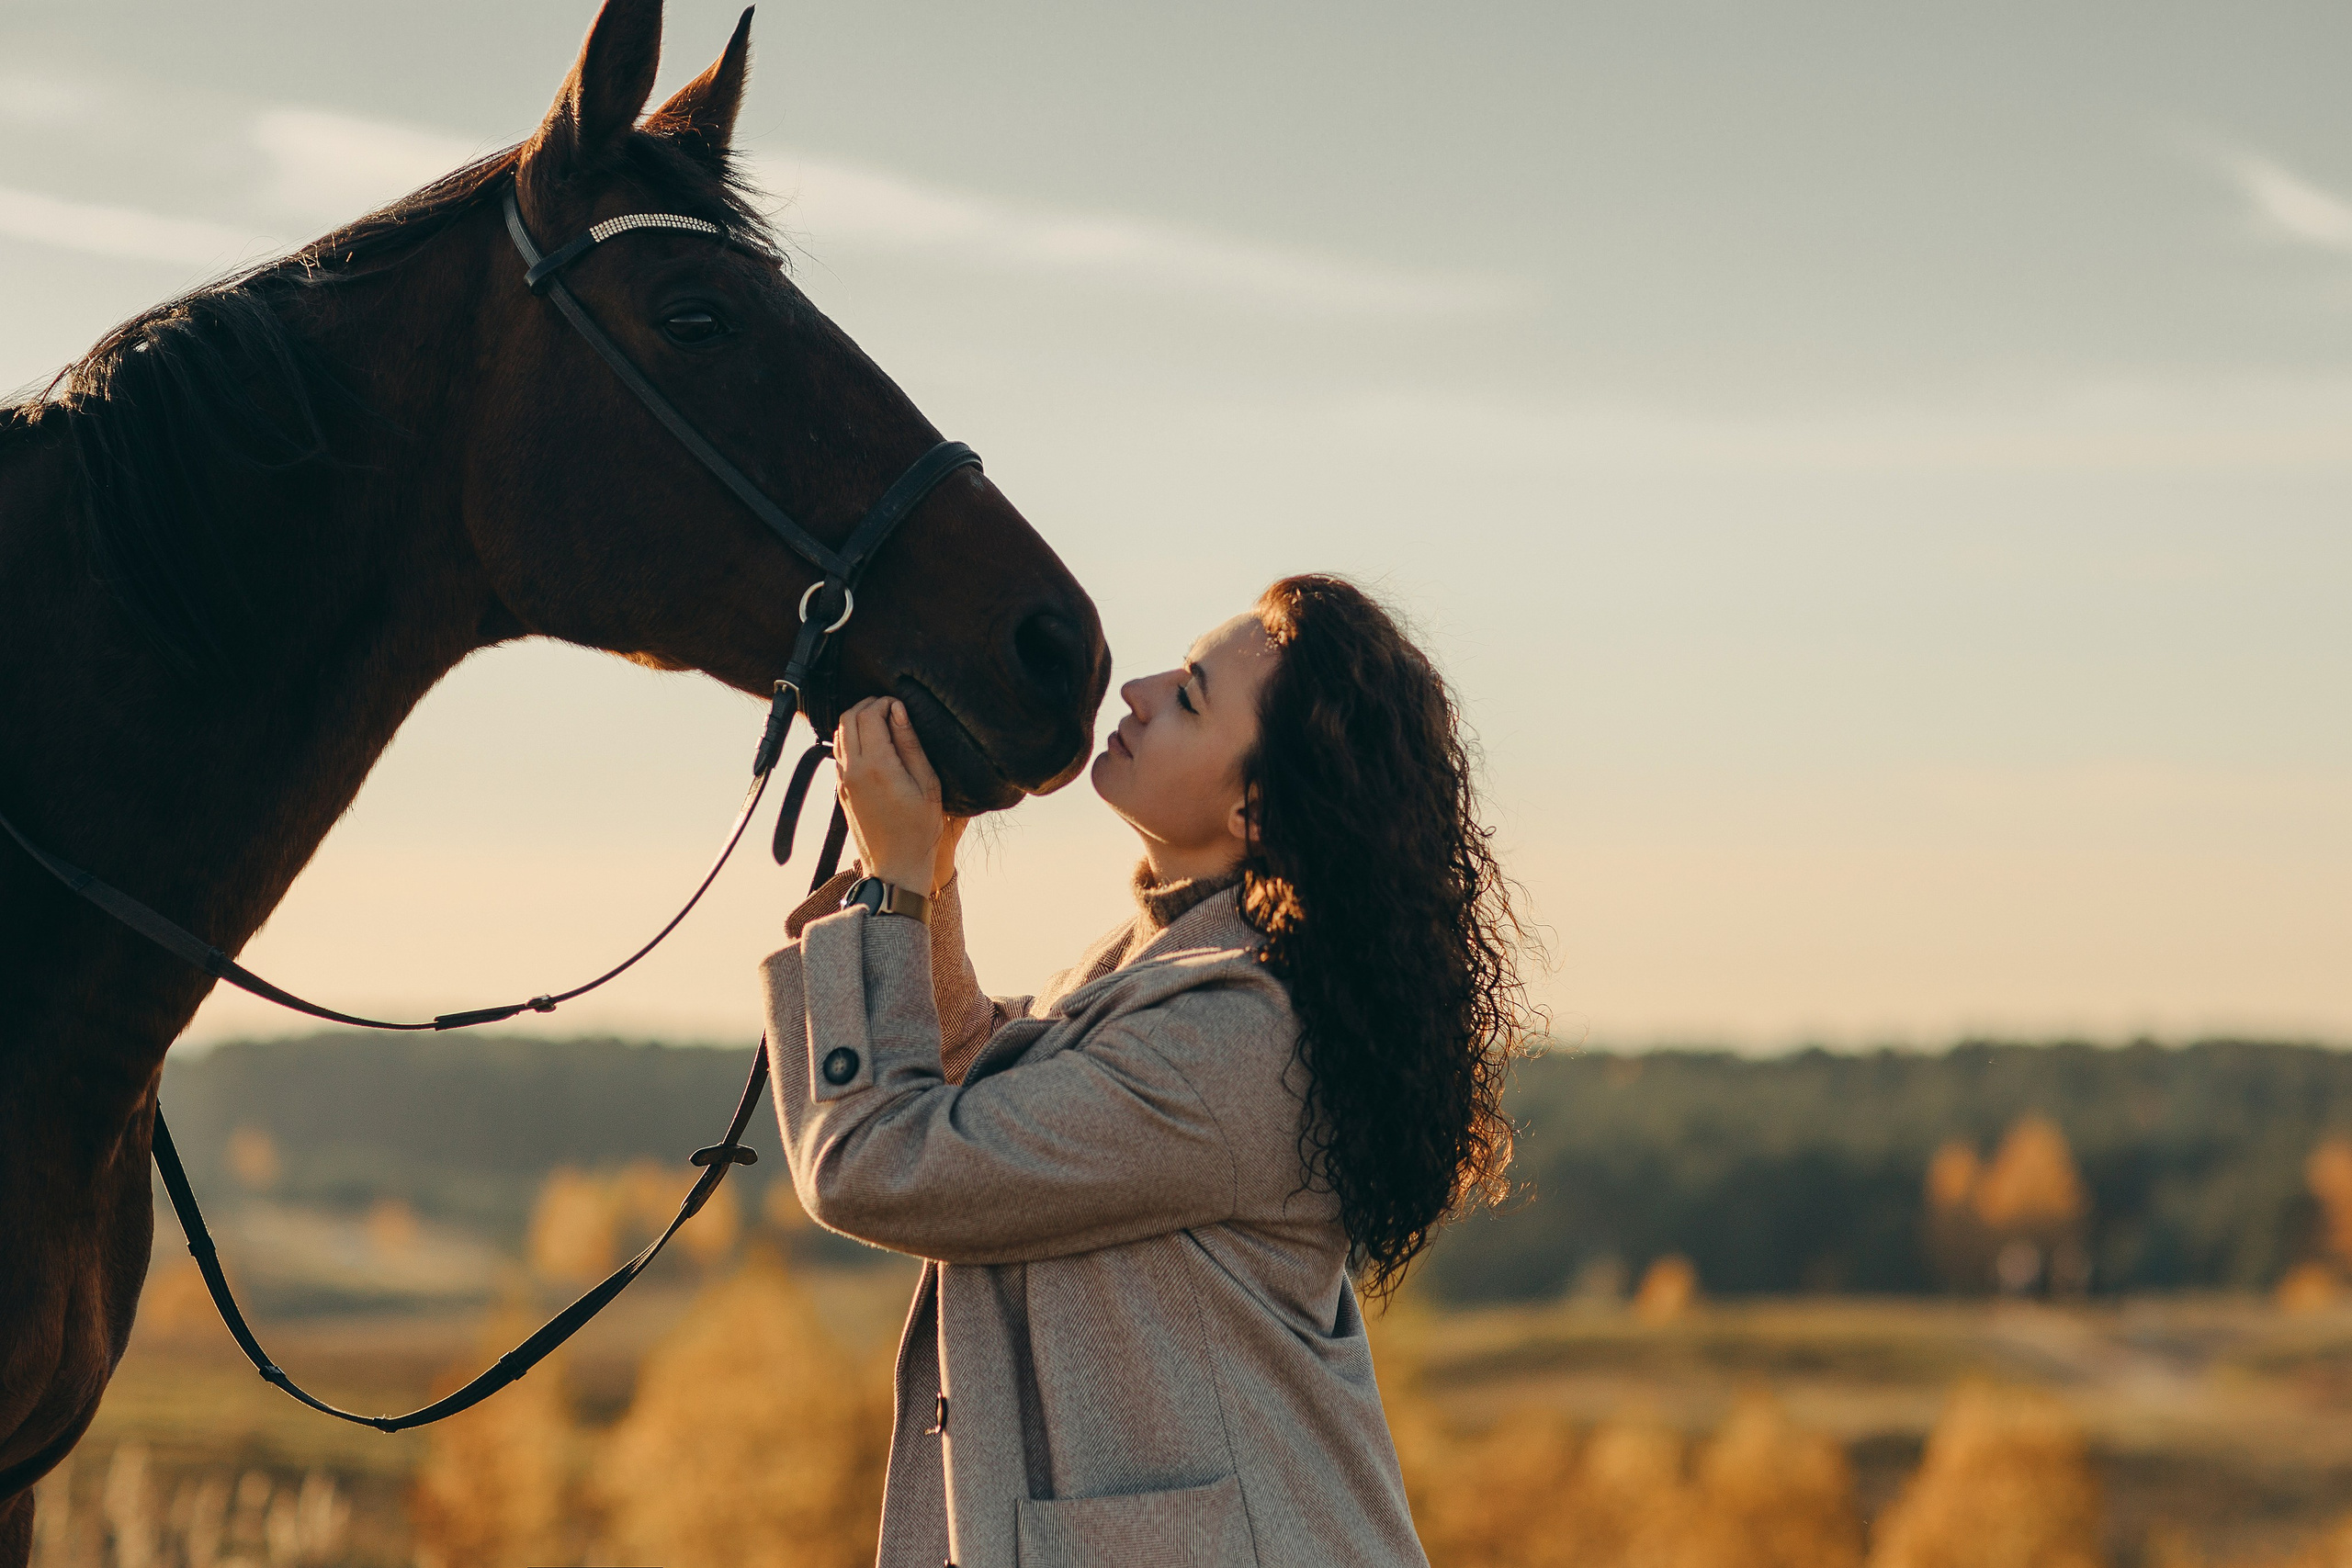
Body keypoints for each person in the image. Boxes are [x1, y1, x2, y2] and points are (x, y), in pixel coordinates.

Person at [763, 574, 1533, 1568]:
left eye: (1190, 698)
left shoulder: (1235, 1042)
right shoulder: (1159, 974)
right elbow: (981, 1101)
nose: (1137, 690)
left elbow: (888, 1164)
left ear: (1257, 806)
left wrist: (899, 890)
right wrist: (929, 882)